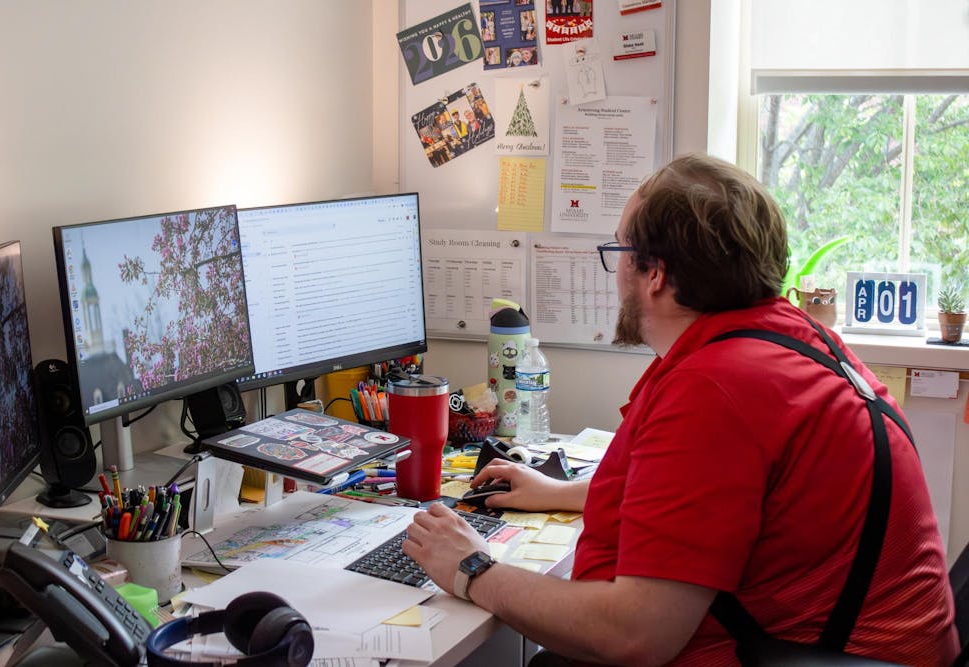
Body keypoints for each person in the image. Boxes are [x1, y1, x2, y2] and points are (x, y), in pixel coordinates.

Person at [403, 154, 959, 665]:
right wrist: (561, 492)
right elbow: (717, 499)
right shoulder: (785, 341)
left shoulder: (717, 390)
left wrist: (473, 568)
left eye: (619, 252)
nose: (616, 273)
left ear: (655, 273)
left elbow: (634, 634)